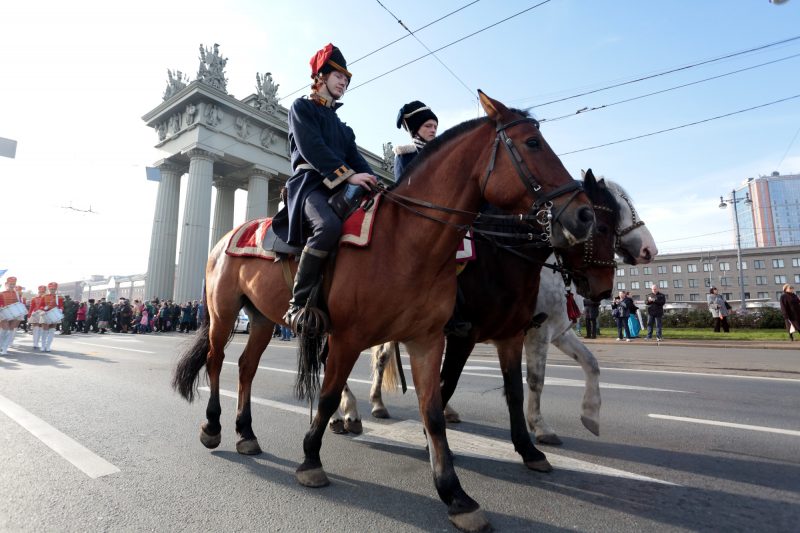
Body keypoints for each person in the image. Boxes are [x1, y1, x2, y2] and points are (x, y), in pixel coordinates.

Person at [280, 43, 377, 331]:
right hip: (309, 185)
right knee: (328, 227)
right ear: (320, 76)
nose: (343, 83)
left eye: (347, 81)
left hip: (337, 188)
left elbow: (358, 160)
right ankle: (297, 304)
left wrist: (375, 183)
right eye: (339, 77)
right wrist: (348, 176)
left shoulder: (344, 127)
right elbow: (313, 149)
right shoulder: (301, 108)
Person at [393, 100, 438, 180]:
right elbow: (401, 189)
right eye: (428, 126)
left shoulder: (441, 153)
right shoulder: (405, 156)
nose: (433, 130)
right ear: (415, 129)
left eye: (435, 127)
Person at [0, 277, 26, 354]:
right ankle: (0, 345)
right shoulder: (2, 293)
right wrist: (1, 306)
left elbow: (20, 303)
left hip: (15, 314)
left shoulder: (17, 294)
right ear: (7, 284)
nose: (12, 285)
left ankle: (5, 348)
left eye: (13, 284)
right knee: (4, 330)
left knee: (10, 330)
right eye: (10, 284)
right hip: (4, 312)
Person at [41, 282, 64, 352]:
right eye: (51, 289)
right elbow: (40, 306)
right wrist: (44, 308)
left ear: (56, 289)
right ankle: (43, 346)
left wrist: (61, 309)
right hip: (46, 314)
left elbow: (61, 306)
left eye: (54, 289)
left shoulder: (59, 297)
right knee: (45, 331)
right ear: (49, 289)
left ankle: (48, 346)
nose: (53, 290)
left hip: (54, 315)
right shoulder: (44, 296)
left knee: (52, 331)